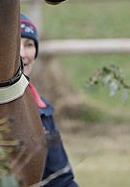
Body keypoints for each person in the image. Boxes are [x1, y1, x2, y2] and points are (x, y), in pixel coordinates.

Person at [20, 14, 78, 186]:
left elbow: (60, 178)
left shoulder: (43, 112)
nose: (23, 54)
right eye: (15, 45)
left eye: (29, 45)